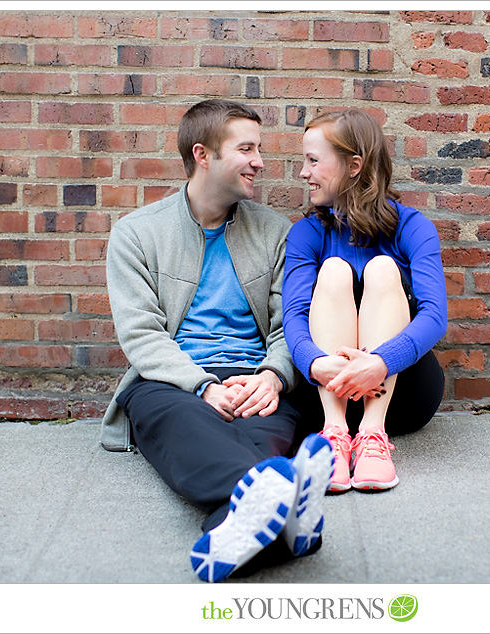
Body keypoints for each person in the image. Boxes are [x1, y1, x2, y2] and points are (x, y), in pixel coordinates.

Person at [100, 99, 333, 583]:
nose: (260, 161)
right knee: (186, 423)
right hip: (171, 381)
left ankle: (236, 525)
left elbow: (290, 322)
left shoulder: (274, 232)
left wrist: (273, 376)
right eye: (246, 149)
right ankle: (288, 517)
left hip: (254, 378)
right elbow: (142, 336)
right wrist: (202, 386)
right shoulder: (136, 234)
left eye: (259, 148)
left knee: (263, 430)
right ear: (203, 155)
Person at [282, 109, 447, 492]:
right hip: (325, 393)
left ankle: (373, 437)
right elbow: (293, 315)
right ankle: (336, 437)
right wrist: (317, 364)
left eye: (313, 161)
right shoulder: (307, 234)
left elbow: (435, 316)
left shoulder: (411, 226)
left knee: (382, 270)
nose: (303, 173)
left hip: (401, 394)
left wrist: (379, 362)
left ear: (354, 165)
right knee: (336, 270)